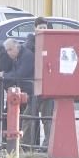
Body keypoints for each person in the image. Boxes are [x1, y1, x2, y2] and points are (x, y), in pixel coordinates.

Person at [21, 17, 54, 148]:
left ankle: (47, 145)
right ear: (35, 29)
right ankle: (26, 144)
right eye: (40, 28)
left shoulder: (51, 42)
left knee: (47, 118)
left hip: (47, 86)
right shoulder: (30, 44)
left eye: (45, 28)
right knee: (29, 116)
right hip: (34, 87)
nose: (43, 30)